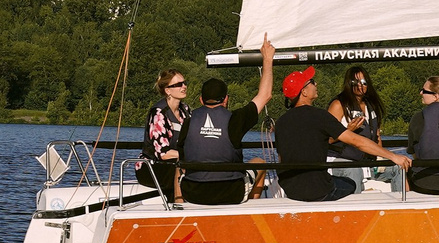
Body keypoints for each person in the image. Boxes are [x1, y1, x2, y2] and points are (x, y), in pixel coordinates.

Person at [273, 65, 396, 201]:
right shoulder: (320, 116)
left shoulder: (280, 122)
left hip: (291, 190)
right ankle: (355, 217)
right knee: (350, 183)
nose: (316, 83)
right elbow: (356, 141)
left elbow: (281, 158)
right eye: (312, 81)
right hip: (318, 189)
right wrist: (393, 156)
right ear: (304, 92)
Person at [179, 37, 275, 205]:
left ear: (201, 100)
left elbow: (183, 159)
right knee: (260, 163)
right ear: (226, 100)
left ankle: (178, 205)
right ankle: (250, 211)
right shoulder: (235, 120)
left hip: (193, 193)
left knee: (178, 169)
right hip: (230, 192)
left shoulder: (188, 121)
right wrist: (267, 59)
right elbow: (265, 95)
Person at [138, 69, 190, 200]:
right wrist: (191, 155)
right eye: (178, 84)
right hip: (152, 167)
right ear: (168, 90)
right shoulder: (159, 113)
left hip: (177, 163)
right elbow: (163, 153)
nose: (184, 87)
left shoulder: (186, 111)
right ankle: (180, 204)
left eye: (184, 83)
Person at [328, 69, 384, 143]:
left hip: (367, 152)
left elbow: (377, 137)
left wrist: (381, 154)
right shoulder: (339, 105)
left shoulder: (372, 105)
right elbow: (328, 139)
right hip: (341, 153)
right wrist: (348, 130)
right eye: (356, 82)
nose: (360, 85)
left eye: (364, 82)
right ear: (349, 83)